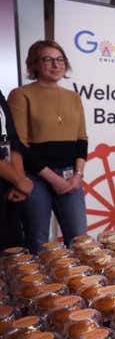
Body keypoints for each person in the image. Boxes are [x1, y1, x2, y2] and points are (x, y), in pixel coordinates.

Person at [8, 40, 88, 253]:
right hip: (35, 178)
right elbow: (19, 144)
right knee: (38, 241)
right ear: (35, 64)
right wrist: (53, 179)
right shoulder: (20, 95)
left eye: (60, 59)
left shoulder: (74, 98)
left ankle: (79, 285)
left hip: (71, 178)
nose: (56, 64)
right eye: (48, 59)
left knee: (79, 240)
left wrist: (78, 175)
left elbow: (81, 140)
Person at [0, 90, 33, 249]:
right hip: (9, 178)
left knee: (14, 250)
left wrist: (18, 182)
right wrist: (19, 180)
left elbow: (12, 140)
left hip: (8, 187)